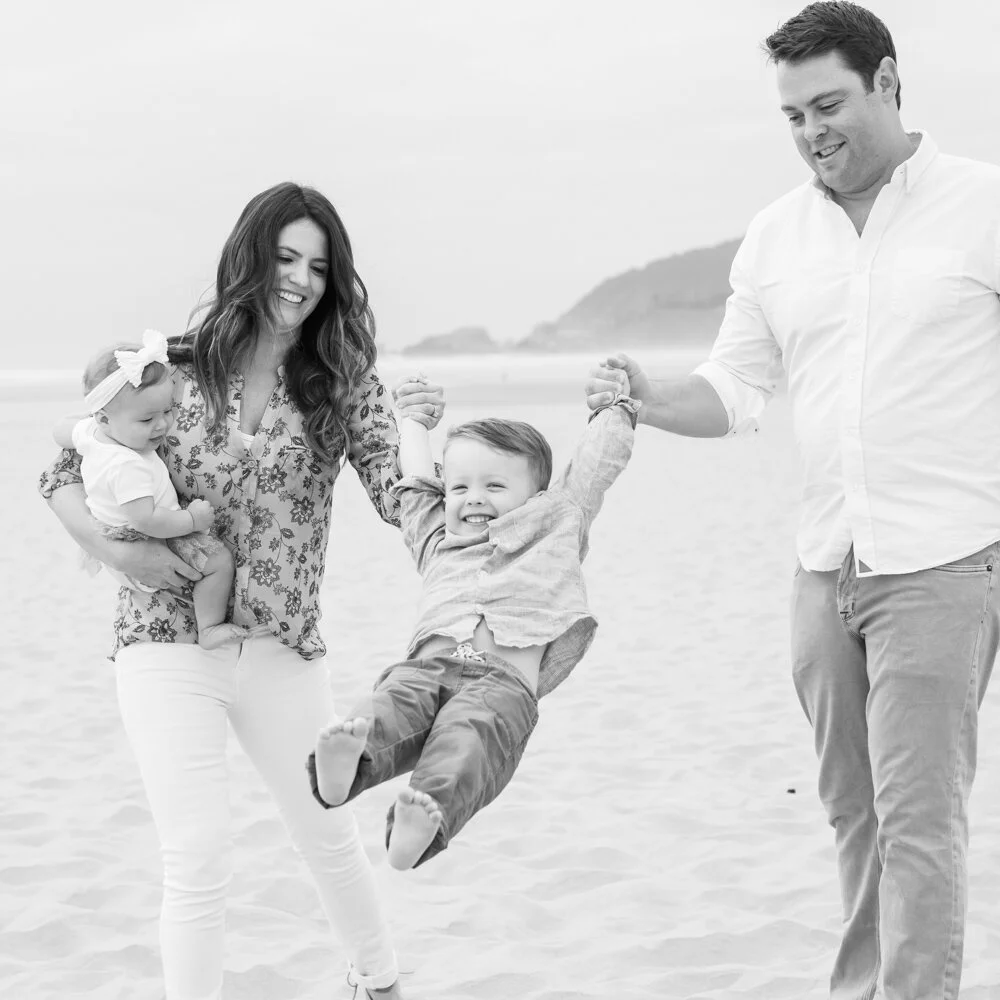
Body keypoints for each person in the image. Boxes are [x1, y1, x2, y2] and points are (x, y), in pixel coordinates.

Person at [585, 4, 1000, 999]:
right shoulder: (774, 238)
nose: (811, 131)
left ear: (888, 84)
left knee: (918, 820)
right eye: (792, 115)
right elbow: (732, 391)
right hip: (824, 571)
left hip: (942, 562)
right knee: (853, 815)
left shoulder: (983, 206)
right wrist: (644, 395)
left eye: (829, 104)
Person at [39, 182, 445, 1000]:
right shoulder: (169, 369)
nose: (300, 280)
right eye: (286, 258)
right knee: (197, 855)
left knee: (328, 833)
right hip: (163, 642)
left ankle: (380, 982)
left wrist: (423, 437)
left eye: (319, 268)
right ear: (250, 259)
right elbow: (61, 469)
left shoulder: (342, 381)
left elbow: (397, 497)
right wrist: (118, 557)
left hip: (283, 647)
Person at [306, 375, 639, 870]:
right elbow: (416, 485)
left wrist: (616, 408)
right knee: (389, 706)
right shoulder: (437, 540)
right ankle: (345, 768)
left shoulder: (556, 525)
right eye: (459, 486)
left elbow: (594, 469)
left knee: (466, 743)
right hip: (427, 667)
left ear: (537, 495)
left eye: (495, 485)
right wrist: (413, 423)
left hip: (501, 688)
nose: (473, 497)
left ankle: (419, 826)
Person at [53, 330, 249, 650]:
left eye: (168, 411)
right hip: (146, 538)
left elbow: (60, 430)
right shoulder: (125, 465)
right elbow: (147, 520)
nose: (162, 425)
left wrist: (78, 428)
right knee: (219, 563)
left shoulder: (94, 433)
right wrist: (192, 520)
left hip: (115, 534)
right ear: (105, 418)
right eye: (147, 419)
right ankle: (210, 626)